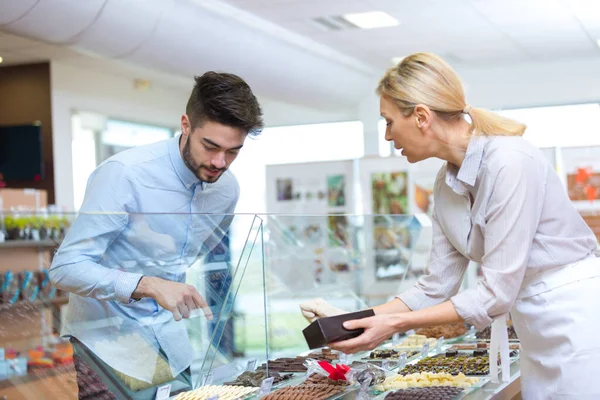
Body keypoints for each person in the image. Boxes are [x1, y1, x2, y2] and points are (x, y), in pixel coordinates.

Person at [300, 52, 600, 399]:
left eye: (388, 121)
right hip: (531, 320)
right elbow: (435, 286)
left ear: (422, 117)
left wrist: (392, 324)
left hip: (578, 317)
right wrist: (355, 319)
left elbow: (495, 292)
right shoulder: (445, 184)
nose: (386, 136)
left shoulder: (511, 162)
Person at [50, 71, 263, 399]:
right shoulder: (125, 175)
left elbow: (199, 251)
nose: (220, 162)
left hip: (172, 343)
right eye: (211, 146)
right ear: (186, 125)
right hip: (108, 347)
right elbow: (65, 269)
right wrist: (147, 284)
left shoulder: (226, 190)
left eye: (233, 151)